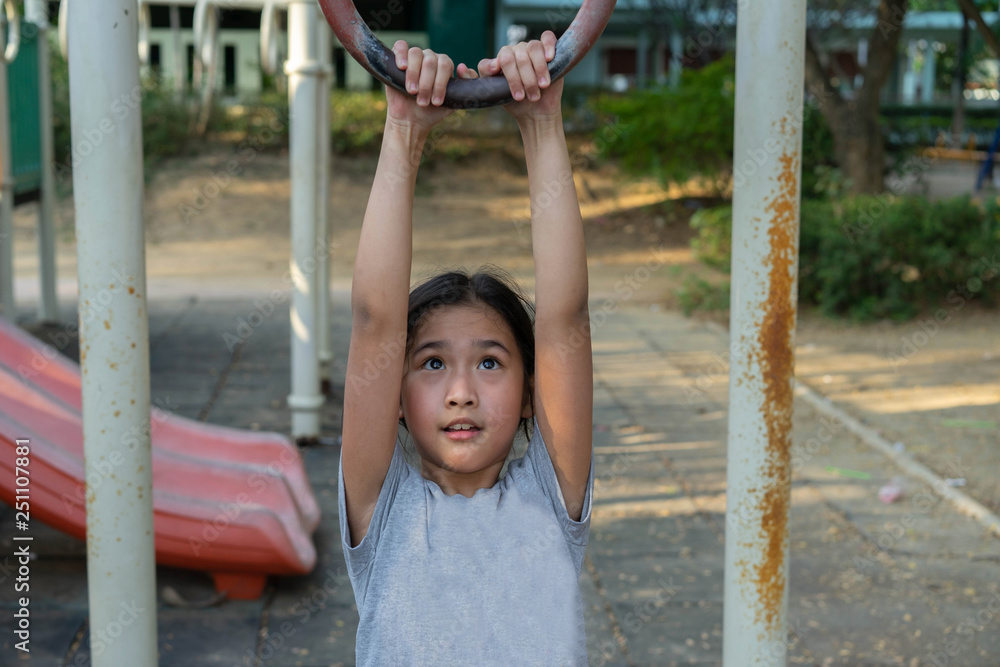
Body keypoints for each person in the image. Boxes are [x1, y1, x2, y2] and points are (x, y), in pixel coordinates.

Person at [338, 30, 594, 665]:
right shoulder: (383, 510)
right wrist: (403, 129)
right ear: (394, 396)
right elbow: (376, 321)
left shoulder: (547, 502)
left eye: (489, 362)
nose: (461, 392)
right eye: (431, 364)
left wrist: (541, 123)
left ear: (533, 392)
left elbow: (564, 322)